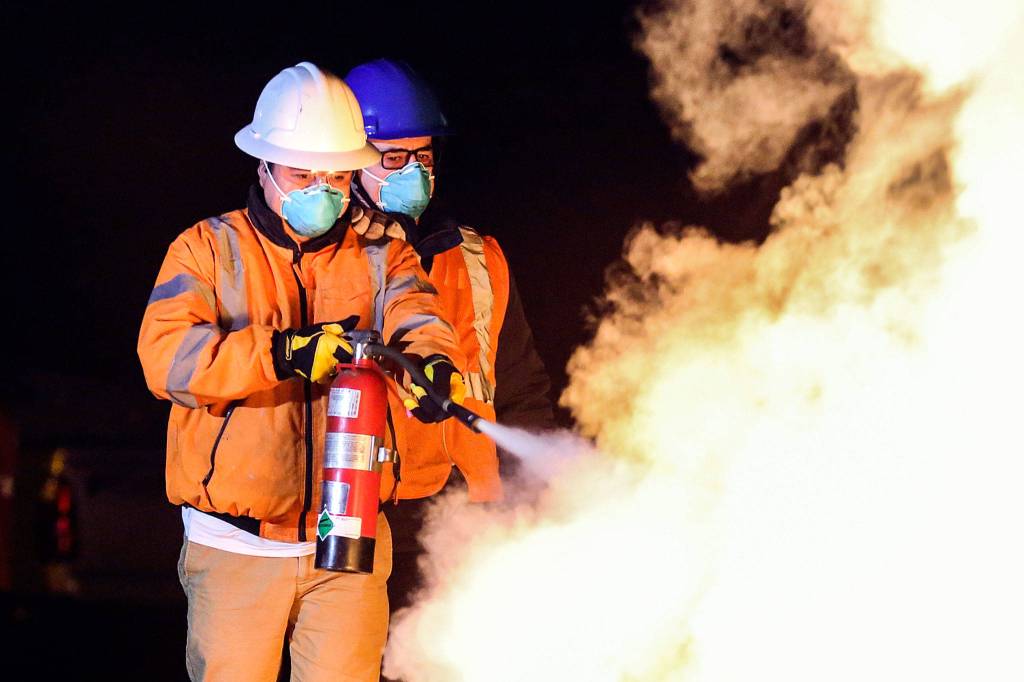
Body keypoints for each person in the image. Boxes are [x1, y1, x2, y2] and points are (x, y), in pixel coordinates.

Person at [137, 61, 465, 682]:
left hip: (352, 534)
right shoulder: (205, 250)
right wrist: (281, 354)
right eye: (302, 174)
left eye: (337, 176)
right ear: (262, 167)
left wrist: (430, 364)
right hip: (238, 544)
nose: (324, 191)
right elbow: (166, 357)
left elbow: (416, 314)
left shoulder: (381, 252)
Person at [344, 59, 555, 643]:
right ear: (347, 162)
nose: (413, 172)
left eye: (424, 158)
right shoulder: (326, 264)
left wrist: (527, 499)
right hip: (365, 516)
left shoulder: (479, 257)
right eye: (393, 159)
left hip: (469, 518)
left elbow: (520, 389)